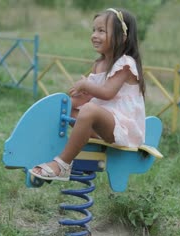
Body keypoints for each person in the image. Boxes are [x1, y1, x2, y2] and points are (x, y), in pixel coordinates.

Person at [30, 8, 146, 181]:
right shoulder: (98, 64)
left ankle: (62, 164)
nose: (94, 35)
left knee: (89, 110)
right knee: (66, 110)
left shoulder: (125, 64)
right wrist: (64, 103)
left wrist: (86, 84)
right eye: (94, 30)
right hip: (102, 125)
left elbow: (106, 93)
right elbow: (87, 97)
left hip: (122, 127)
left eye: (101, 31)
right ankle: (46, 148)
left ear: (122, 37)